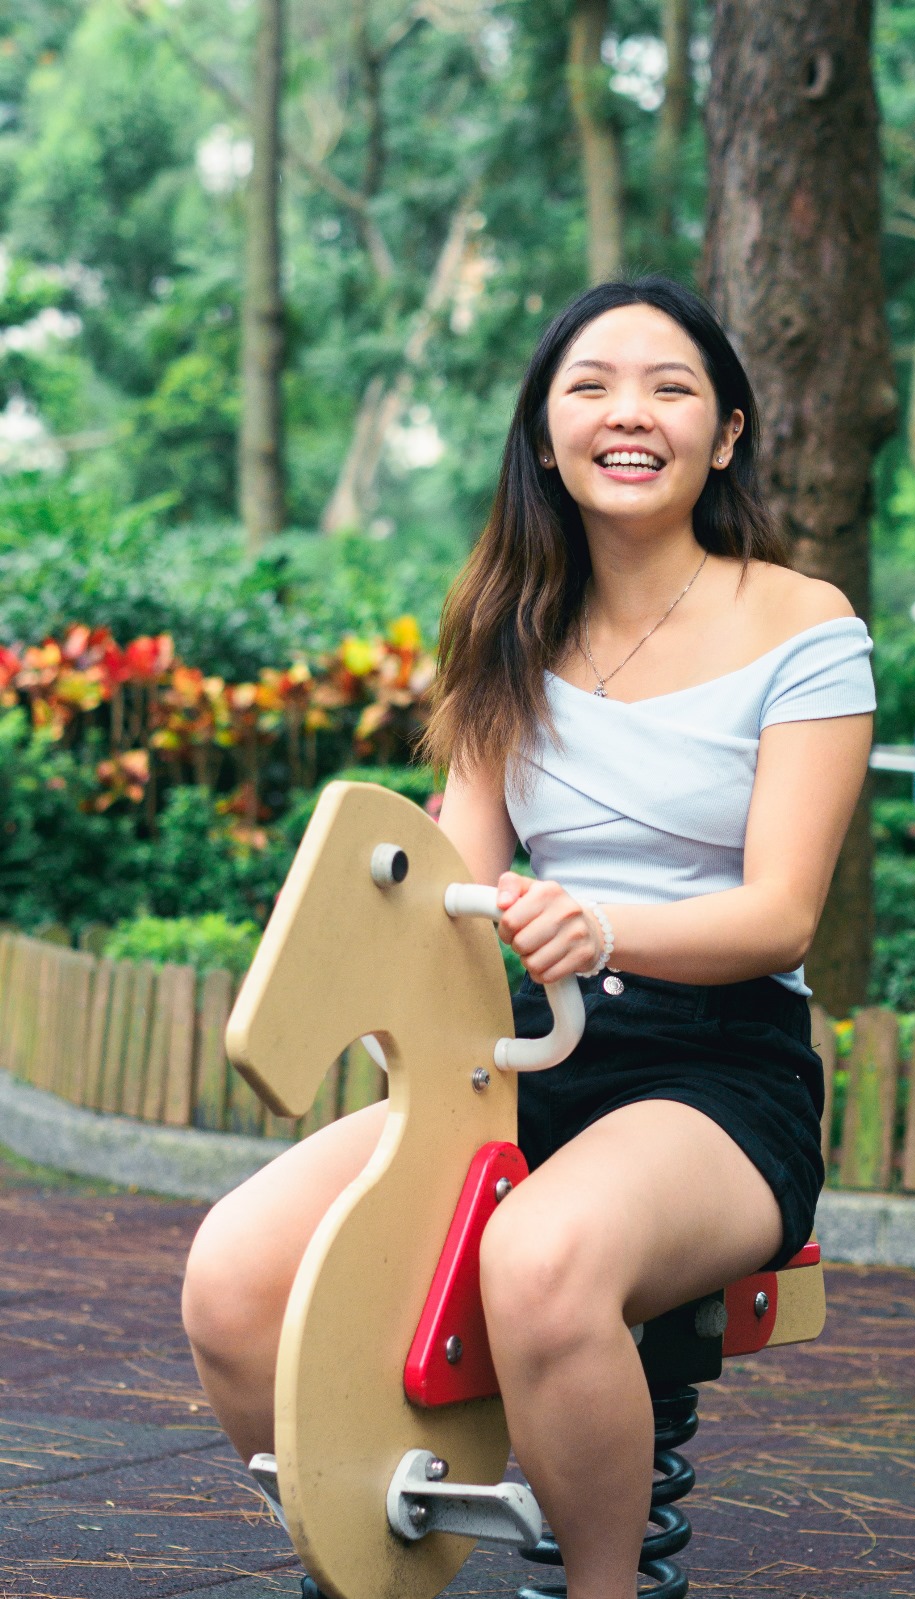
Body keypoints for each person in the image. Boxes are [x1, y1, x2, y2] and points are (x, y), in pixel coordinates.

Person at [180, 274, 874, 1599]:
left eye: (671, 388)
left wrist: (601, 921)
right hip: (529, 1054)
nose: (630, 413)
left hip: (719, 1075)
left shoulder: (805, 623)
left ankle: (601, 1588)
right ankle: (364, 1557)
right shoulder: (507, 625)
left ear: (725, 433)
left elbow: (783, 912)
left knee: (542, 1257)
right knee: (232, 1277)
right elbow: (459, 885)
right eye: (591, 386)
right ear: (545, 433)